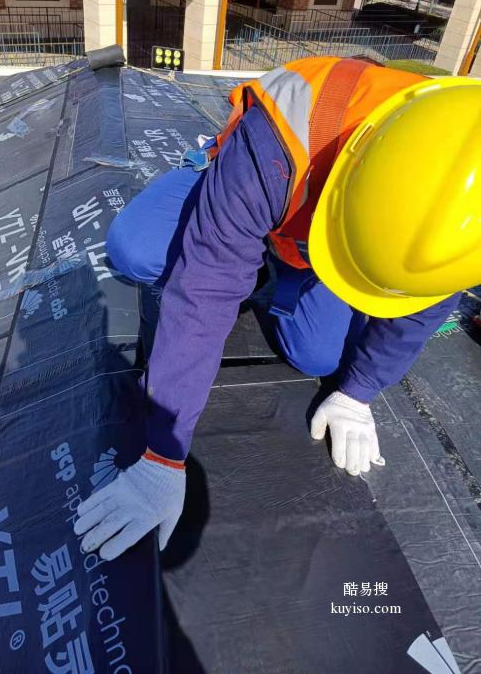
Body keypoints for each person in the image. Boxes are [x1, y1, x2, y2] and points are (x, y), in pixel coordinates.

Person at [74, 57, 481, 562]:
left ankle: (271, 263)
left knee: (317, 356)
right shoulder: (287, 132)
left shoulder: (464, 221)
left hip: (318, 242)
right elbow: (205, 289)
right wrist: (164, 453)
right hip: (258, 185)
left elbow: (421, 308)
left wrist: (358, 392)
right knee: (137, 250)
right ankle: (227, 208)